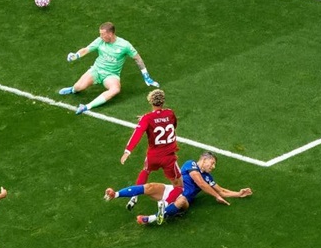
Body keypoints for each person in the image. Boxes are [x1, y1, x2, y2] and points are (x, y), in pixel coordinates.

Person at [104, 152, 252, 226]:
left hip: (183, 199)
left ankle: (150, 219)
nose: (213, 167)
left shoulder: (208, 177)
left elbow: (222, 190)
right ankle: (115, 194)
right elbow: (200, 183)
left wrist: (238, 194)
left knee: (181, 201)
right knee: (150, 186)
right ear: (204, 159)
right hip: (173, 190)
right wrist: (216, 196)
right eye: (212, 163)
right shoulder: (191, 164)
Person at [59, 21, 158, 115]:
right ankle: (73, 89)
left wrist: (146, 76)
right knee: (78, 87)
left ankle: (86, 106)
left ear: (110, 34)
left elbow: (137, 58)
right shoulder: (100, 41)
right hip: (96, 70)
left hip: (111, 75)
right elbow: (86, 49)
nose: (101, 36)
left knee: (115, 89)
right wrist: (76, 55)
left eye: (103, 34)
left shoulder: (125, 45)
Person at [118, 88, 180, 210]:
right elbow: (173, 124)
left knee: (146, 171)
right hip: (169, 157)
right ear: (163, 101)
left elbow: (137, 133)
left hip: (153, 156)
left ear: (150, 101)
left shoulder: (147, 118)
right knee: (179, 186)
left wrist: (127, 151)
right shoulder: (170, 113)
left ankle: (134, 196)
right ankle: (165, 204)